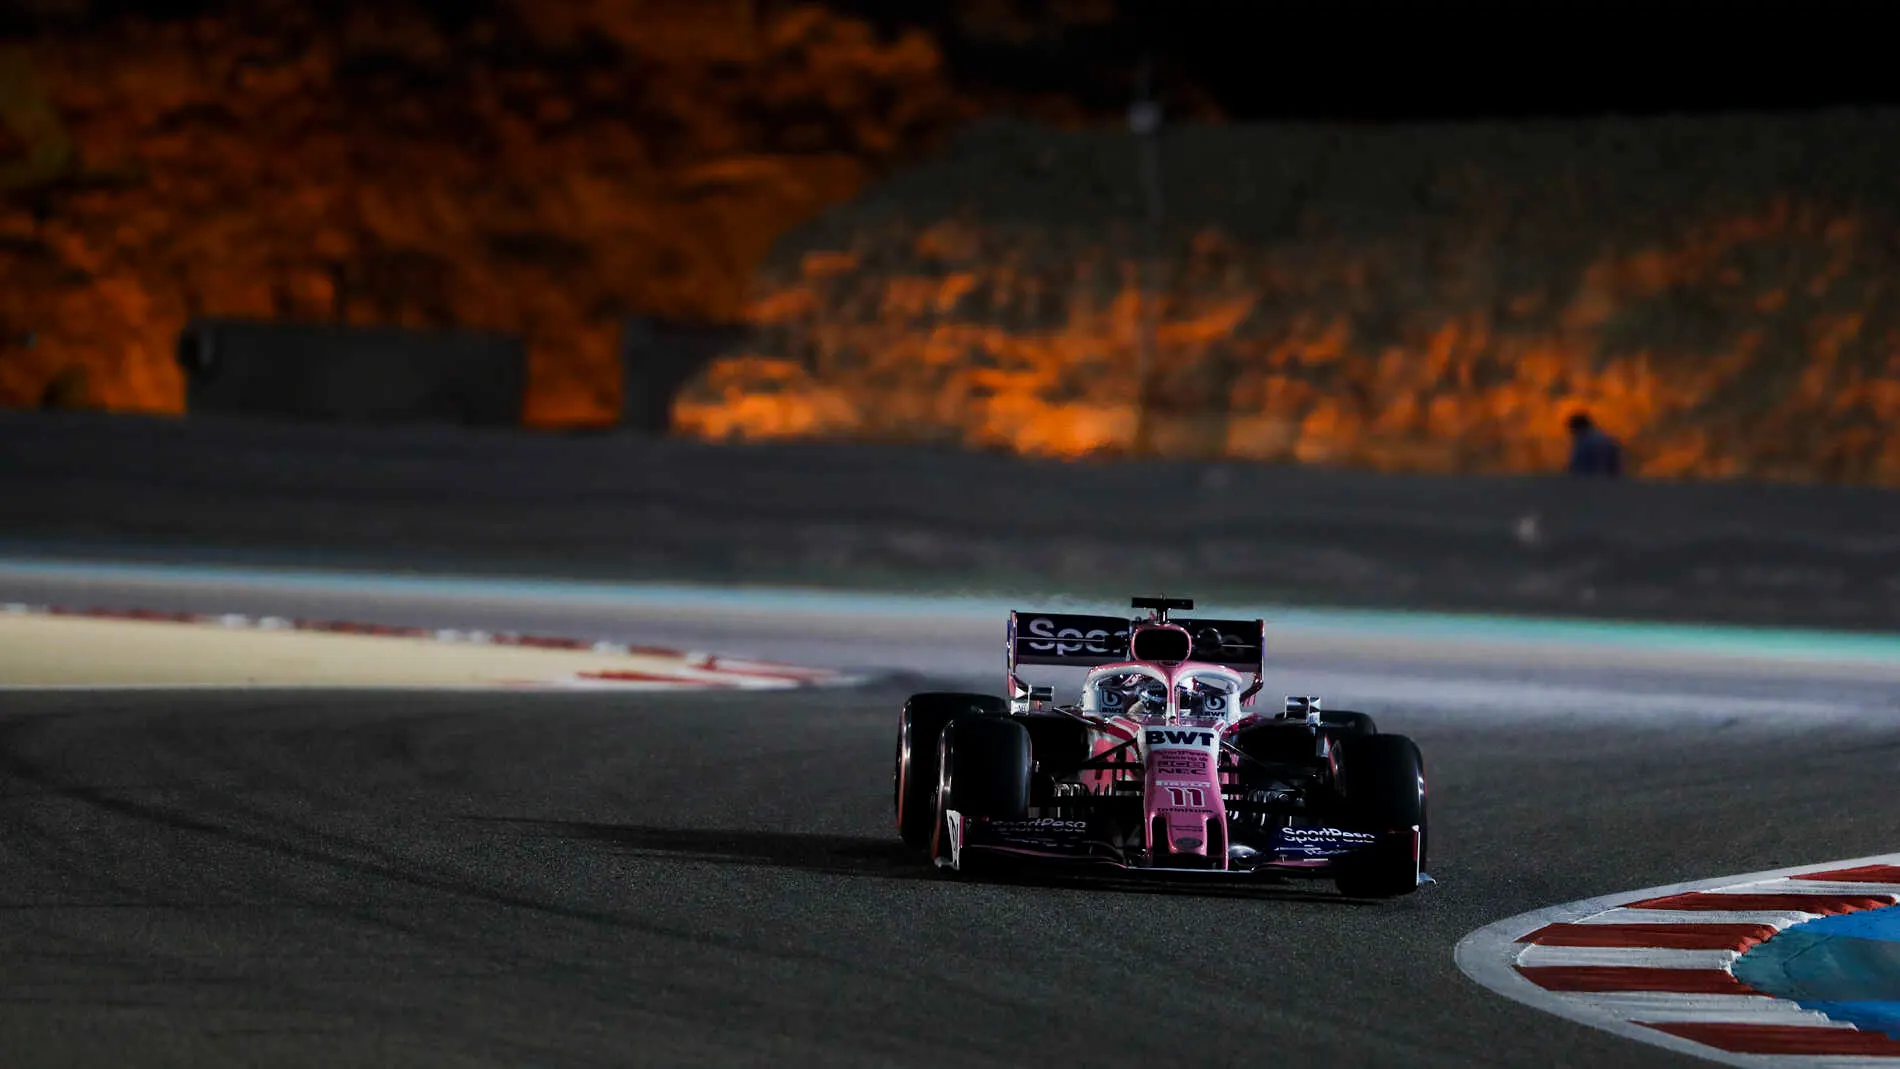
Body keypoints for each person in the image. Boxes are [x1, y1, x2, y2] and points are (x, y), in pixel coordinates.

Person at [1565, 411, 1622, 476]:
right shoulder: (1606, 440)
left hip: (1590, 481)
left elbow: (1578, 468)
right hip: (1608, 482)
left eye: (1572, 430)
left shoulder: (1584, 443)